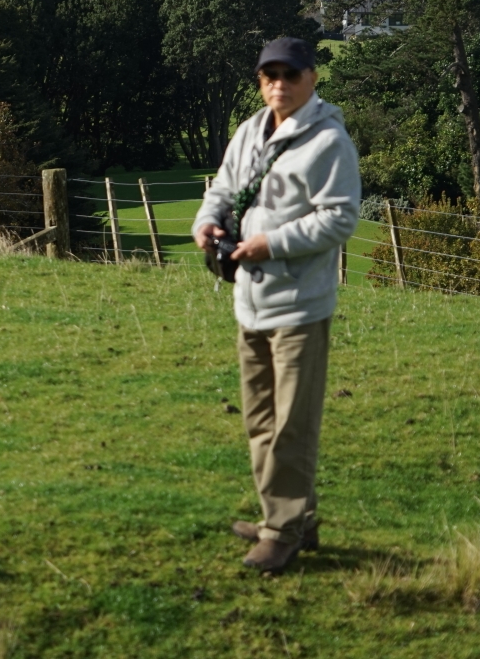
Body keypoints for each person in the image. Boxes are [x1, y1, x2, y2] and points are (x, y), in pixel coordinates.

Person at [193, 36, 360, 574]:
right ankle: (291, 518)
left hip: (300, 305)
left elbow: (340, 218)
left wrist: (272, 242)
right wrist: (206, 224)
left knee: (291, 424)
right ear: (261, 80)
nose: (279, 85)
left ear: (312, 78)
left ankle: (282, 532)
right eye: (270, 76)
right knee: (260, 418)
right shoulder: (248, 131)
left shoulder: (329, 141)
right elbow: (222, 188)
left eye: (290, 75)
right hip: (250, 301)